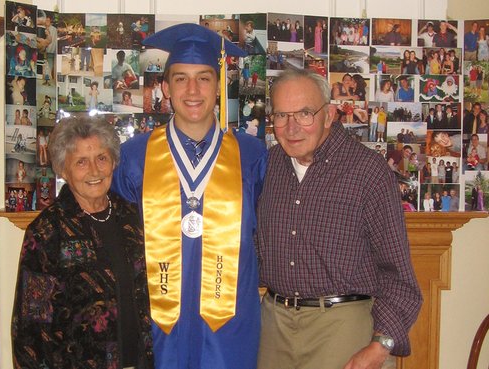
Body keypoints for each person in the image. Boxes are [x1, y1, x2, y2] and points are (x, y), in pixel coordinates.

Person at [111, 23, 267, 369]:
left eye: (204, 78)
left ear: (218, 85)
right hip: (156, 323)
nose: (192, 89)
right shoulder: (134, 157)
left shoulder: (252, 155)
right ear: (165, 87)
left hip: (229, 326)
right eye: (181, 78)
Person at [256, 69, 421, 369]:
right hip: (274, 327)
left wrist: (381, 345)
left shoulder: (367, 171)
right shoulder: (268, 166)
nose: (292, 127)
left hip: (343, 329)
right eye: (281, 115)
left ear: (329, 115)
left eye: (305, 113)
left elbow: (398, 274)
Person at [11, 117, 154, 369]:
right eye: (81, 162)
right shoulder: (47, 231)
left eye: (101, 158)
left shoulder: (133, 219)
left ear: (113, 162)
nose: (95, 171)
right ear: (63, 170)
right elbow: (30, 330)